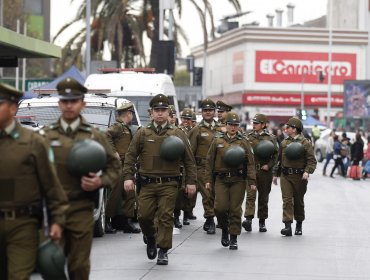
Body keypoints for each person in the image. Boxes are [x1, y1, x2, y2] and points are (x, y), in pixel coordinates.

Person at [41, 77, 121, 279]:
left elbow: (114, 166)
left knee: (78, 266)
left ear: (82, 104)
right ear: (59, 104)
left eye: (73, 101)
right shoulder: (45, 136)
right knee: (51, 265)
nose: (69, 105)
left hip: (80, 208)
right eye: (65, 101)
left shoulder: (94, 136)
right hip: (51, 211)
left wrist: (100, 182)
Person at [0, 83, 68, 279]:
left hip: (22, 225)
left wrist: (57, 221)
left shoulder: (33, 142)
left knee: (18, 276)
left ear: (13, 108)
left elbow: (51, 185)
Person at [122, 93, 197, 265]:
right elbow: (130, 156)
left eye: (163, 110)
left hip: (169, 183)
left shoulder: (177, 133)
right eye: (157, 110)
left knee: (165, 216)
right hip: (147, 183)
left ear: (169, 112)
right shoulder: (143, 133)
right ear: (151, 113)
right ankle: (150, 237)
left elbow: (189, 160)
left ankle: (163, 250)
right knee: (143, 216)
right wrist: (128, 177)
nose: (160, 113)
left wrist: (191, 182)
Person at [205, 112, 256, 250]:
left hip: (237, 179)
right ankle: (224, 229)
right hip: (221, 179)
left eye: (235, 125)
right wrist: (208, 179)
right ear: (226, 125)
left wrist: (252, 182)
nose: (233, 127)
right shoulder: (217, 140)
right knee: (219, 208)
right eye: (230, 125)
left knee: (235, 209)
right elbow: (209, 161)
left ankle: (233, 237)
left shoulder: (243, 141)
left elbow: (250, 163)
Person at [273, 117, 317, 236]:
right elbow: (279, 160)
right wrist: (275, 175)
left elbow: (312, 161)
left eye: (288, 127)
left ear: (295, 129)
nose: (285, 129)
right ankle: (287, 226)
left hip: (299, 176)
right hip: (285, 175)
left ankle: (299, 224)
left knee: (298, 201)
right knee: (287, 200)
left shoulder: (305, 143)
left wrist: (307, 172)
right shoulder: (284, 143)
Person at [188, 98, 225, 235]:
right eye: (205, 110)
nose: (208, 112)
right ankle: (209, 218)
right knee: (207, 194)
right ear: (201, 112)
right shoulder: (196, 130)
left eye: (210, 110)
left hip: (219, 167)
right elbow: (190, 153)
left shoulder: (222, 128)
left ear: (214, 112)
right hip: (202, 168)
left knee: (219, 195)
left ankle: (219, 217)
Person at [105, 102, 141, 234]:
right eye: (131, 113)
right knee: (115, 194)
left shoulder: (126, 127)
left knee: (130, 193)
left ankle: (126, 221)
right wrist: (113, 152)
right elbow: (107, 135)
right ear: (129, 114)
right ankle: (107, 221)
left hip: (127, 164)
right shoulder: (118, 126)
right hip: (119, 165)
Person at [242, 114, 279, 233]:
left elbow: (276, 155)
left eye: (257, 123)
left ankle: (262, 221)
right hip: (252, 171)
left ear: (263, 125)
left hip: (265, 172)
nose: (254, 125)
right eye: (253, 123)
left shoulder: (271, 138)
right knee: (250, 195)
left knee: (263, 197)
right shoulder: (247, 137)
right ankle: (248, 219)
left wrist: (269, 165)